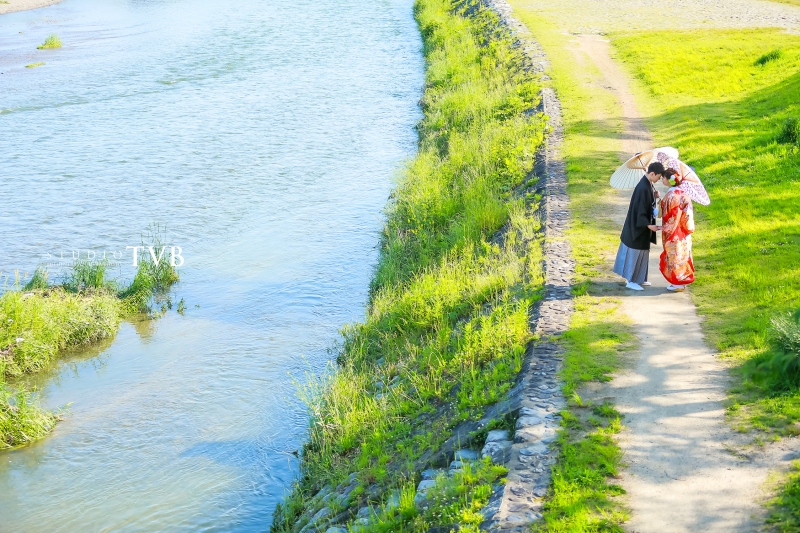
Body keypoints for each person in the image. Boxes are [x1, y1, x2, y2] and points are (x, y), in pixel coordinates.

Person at [612, 161, 664, 291]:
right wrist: (648, 225)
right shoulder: (642, 187)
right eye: (658, 177)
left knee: (643, 253)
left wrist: (655, 195)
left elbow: (648, 205)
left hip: (643, 227)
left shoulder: (648, 184)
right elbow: (640, 210)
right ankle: (631, 280)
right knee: (634, 252)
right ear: (652, 173)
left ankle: (640, 278)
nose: (658, 180)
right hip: (637, 227)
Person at [658, 168, 695, 291]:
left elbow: (667, 214)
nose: (662, 179)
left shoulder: (670, 195)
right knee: (683, 255)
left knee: (674, 256)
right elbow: (687, 214)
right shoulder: (684, 194)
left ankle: (677, 283)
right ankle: (681, 282)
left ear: (669, 180)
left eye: (663, 177)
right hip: (684, 231)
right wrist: (687, 229)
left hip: (673, 231)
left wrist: (662, 226)